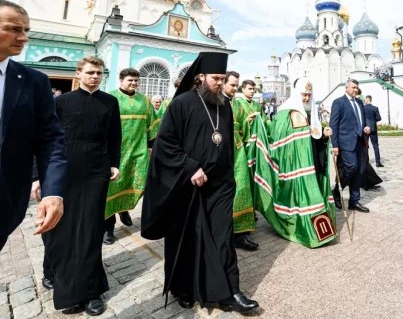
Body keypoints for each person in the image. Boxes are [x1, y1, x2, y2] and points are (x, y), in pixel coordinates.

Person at [141, 52, 258, 313]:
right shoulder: (182, 103)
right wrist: (191, 167)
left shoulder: (224, 105)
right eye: (216, 78)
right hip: (187, 186)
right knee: (188, 238)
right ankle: (184, 288)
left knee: (223, 237)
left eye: (222, 78)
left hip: (220, 185)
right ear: (201, 77)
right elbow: (165, 144)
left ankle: (230, 292)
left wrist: (230, 177)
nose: (220, 83)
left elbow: (225, 142)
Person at [0, 0, 67, 281]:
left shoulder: (33, 82)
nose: (24, 37)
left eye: (26, 29)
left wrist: (53, 191)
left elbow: (50, 141)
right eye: (14, 28)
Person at [36, 56, 121, 315]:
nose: (95, 76)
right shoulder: (60, 102)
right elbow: (43, 139)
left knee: (90, 229)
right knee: (59, 227)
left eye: (99, 73)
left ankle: (90, 291)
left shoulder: (110, 102)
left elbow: (115, 136)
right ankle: (51, 268)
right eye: (90, 72)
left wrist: (114, 163)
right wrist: (38, 176)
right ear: (79, 73)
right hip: (64, 170)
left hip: (96, 171)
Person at [251, 78, 337, 248]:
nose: (306, 98)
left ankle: (319, 231)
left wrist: (324, 135)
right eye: (304, 94)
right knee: (305, 198)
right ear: (297, 94)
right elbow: (276, 138)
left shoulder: (311, 113)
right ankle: (307, 232)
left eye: (309, 95)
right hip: (294, 167)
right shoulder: (284, 113)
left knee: (312, 196)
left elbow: (313, 138)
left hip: (311, 163)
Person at [104, 68, 159, 244]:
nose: (134, 83)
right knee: (112, 189)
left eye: (136, 80)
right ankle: (108, 228)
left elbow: (152, 125)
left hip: (139, 153)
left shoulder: (144, 100)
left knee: (139, 185)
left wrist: (152, 147)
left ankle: (125, 209)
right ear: (121, 81)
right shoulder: (110, 98)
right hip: (117, 154)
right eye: (130, 80)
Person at [224, 71, 259, 251]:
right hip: (219, 152)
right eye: (231, 85)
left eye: (235, 85)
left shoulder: (237, 104)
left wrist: (248, 121)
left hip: (238, 151)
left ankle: (240, 233)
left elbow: (241, 128)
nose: (233, 88)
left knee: (243, 188)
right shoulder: (212, 103)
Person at [330, 78, 371, 213]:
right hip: (345, 143)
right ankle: (336, 190)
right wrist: (335, 144)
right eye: (353, 87)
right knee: (351, 167)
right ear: (346, 88)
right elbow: (333, 125)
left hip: (360, 142)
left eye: (356, 88)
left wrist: (366, 127)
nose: (355, 89)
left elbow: (362, 121)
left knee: (359, 171)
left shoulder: (359, 103)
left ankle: (354, 201)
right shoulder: (339, 103)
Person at [363, 95, 383, 167]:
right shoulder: (375, 108)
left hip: (365, 128)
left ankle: (365, 162)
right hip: (373, 128)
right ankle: (378, 162)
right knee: (375, 145)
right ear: (371, 100)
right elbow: (379, 118)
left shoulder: (363, 108)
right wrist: (373, 121)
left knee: (365, 145)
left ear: (366, 100)